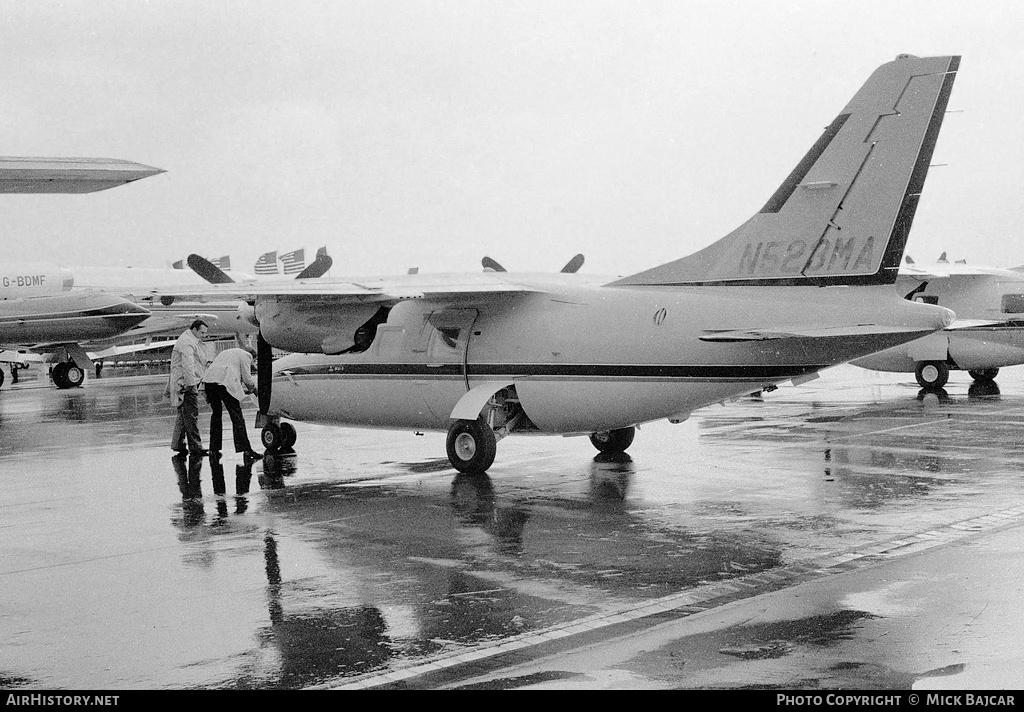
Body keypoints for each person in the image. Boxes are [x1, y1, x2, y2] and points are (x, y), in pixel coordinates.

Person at [201, 346, 262, 461]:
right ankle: (246, 450)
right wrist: (255, 391)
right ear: (253, 356)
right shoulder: (246, 356)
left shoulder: (227, 352)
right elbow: (247, 378)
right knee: (236, 415)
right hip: (224, 382)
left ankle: (214, 449)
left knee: (216, 414)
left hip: (209, 381)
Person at [166, 320, 210, 455]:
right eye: (202, 332)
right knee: (191, 415)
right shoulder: (187, 343)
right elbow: (187, 365)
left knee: (183, 415)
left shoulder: (188, 340)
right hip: (186, 384)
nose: (204, 336)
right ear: (194, 330)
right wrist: (191, 386)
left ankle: (178, 444)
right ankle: (195, 447)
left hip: (182, 382)